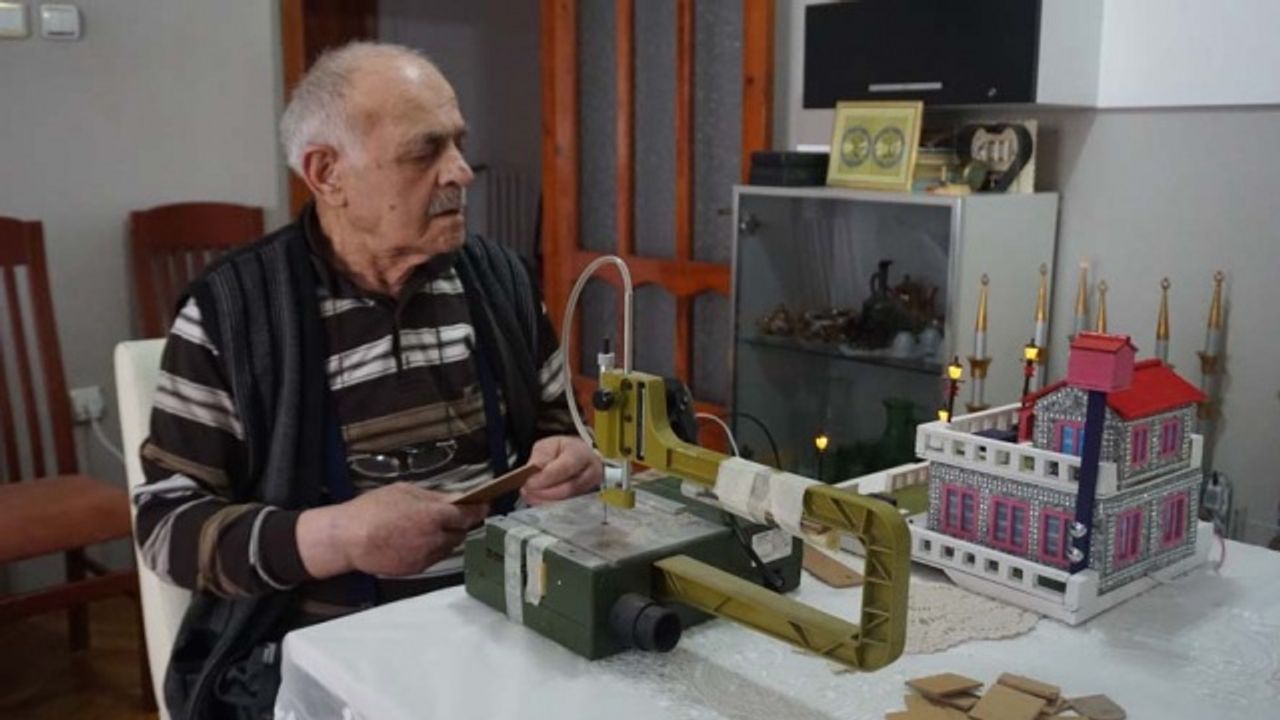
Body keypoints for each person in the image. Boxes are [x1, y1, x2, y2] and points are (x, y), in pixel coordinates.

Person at [132, 41, 602, 719]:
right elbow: (167, 527)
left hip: (507, 630)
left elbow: (562, 431)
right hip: (324, 664)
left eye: (459, 144)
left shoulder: (501, 282)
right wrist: (341, 537)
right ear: (328, 174)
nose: (461, 172)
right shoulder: (232, 314)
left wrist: (573, 463)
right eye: (424, 151)